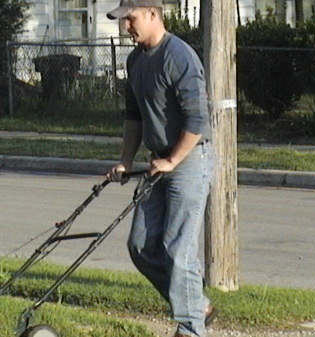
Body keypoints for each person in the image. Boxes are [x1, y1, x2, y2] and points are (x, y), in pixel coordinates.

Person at [106, 1, 216, 336]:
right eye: (124, 21)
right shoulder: (136, 59)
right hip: (158, 161)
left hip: (190, 159)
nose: (126, 27)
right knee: (140, 245)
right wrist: (126, 160)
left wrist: (173, 160)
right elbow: (134, 117)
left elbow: (198, 119)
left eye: (131, 19)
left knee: (177, 249)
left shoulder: (178, 56)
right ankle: (194, 304)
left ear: (153, 14)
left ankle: (191, 328)